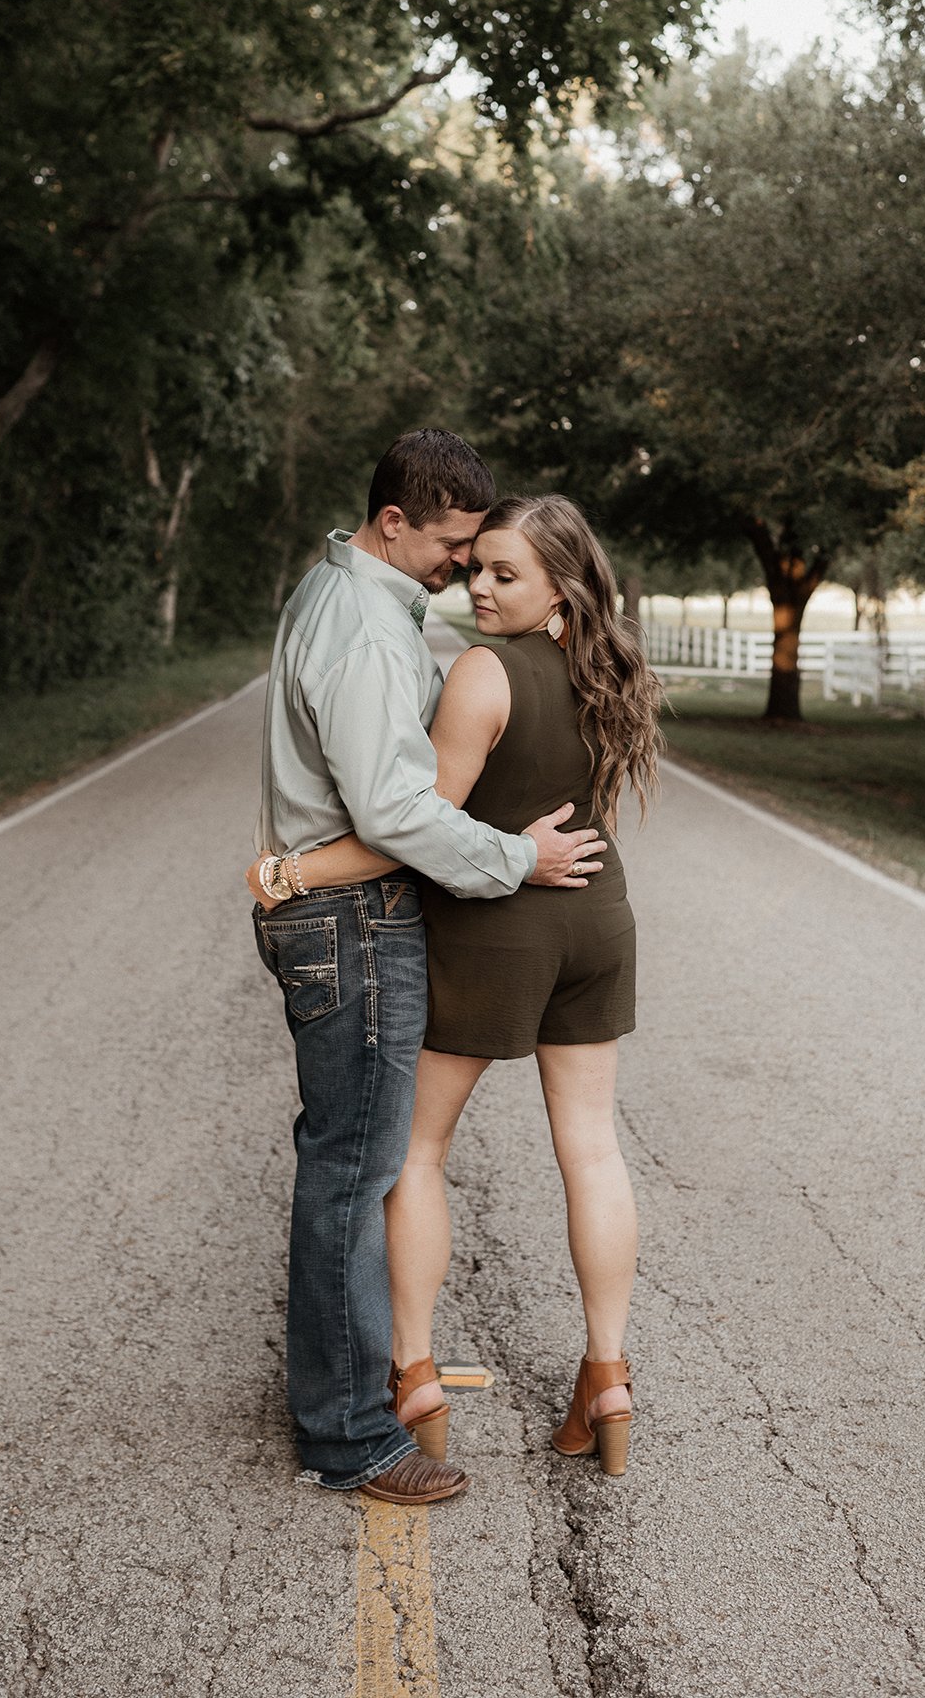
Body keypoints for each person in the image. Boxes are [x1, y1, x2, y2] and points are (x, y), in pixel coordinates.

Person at [257, 493, 663, 1477]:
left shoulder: (483, 672)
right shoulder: (611, 665)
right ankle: (606, 1378)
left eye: (503, 573)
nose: (476, 587)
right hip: (599, 921)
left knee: (415, 1153)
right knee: (593, 1152)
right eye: (473, 565)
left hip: (499, 930)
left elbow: (419, 826)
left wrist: (295, 871)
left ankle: (413, 1373)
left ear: (560, 584)